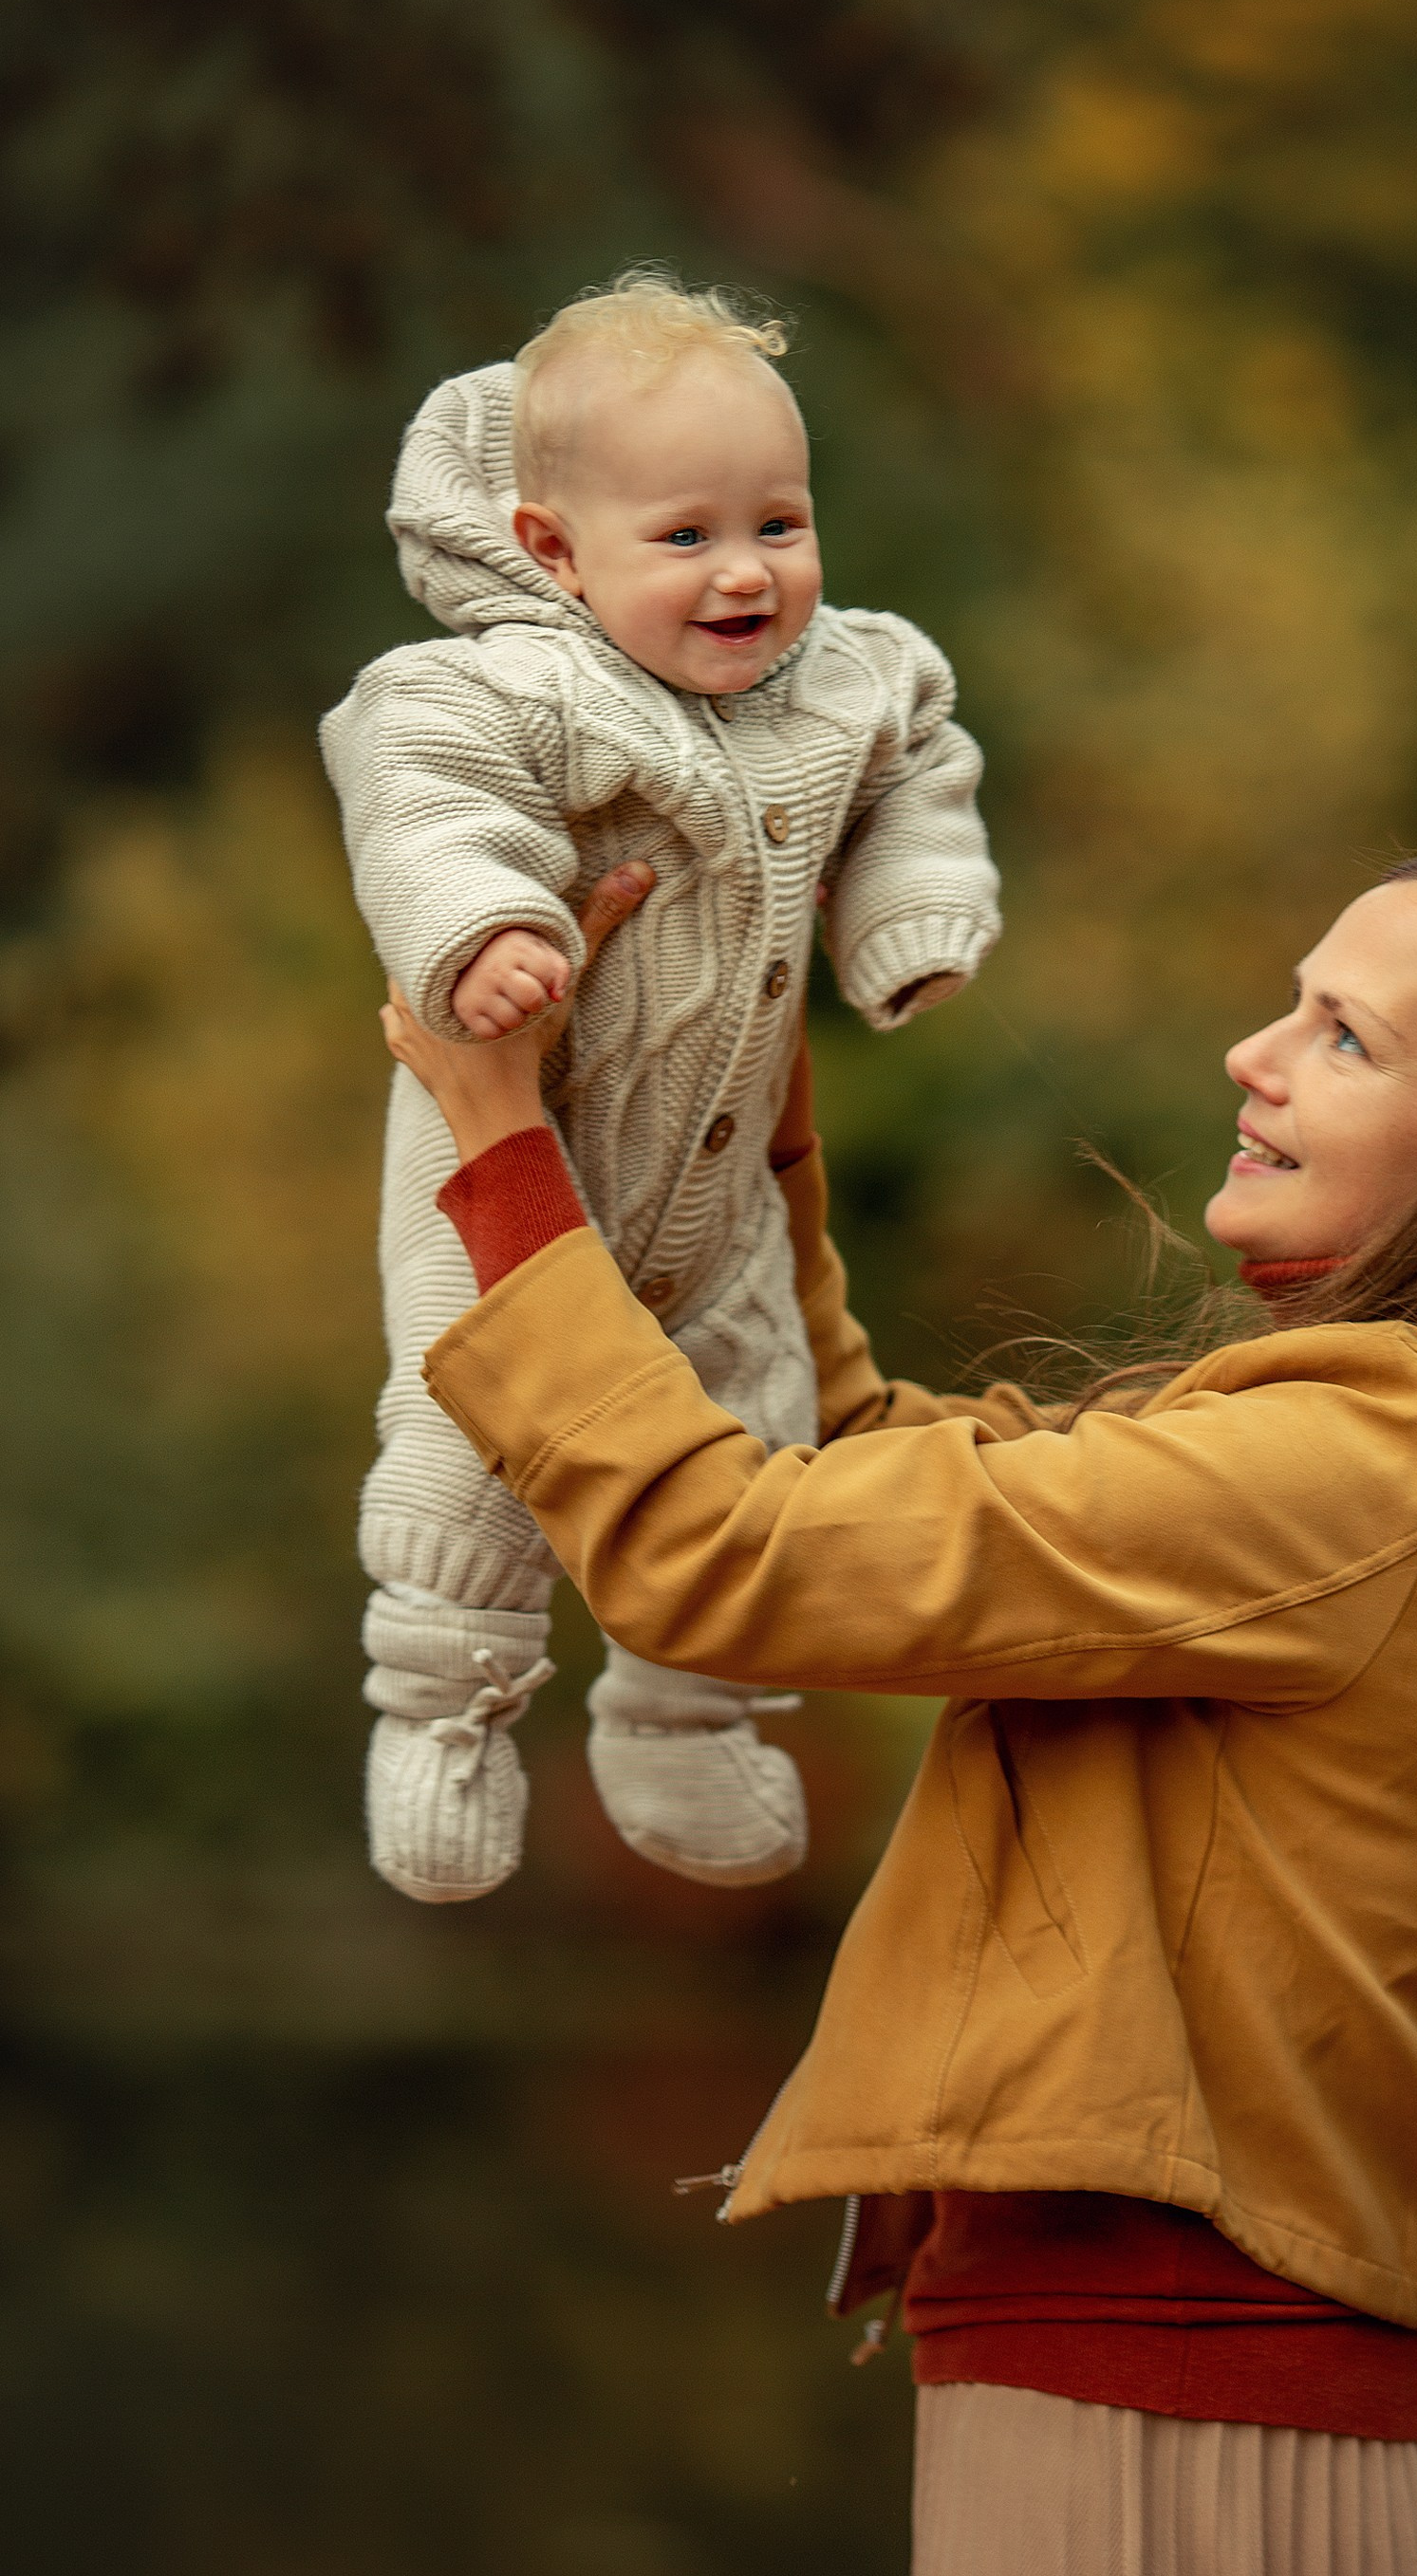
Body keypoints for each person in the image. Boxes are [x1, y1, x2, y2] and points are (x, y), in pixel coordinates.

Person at [380, 841, 1417, 2575]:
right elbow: (855, 1474)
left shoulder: (1381, 1460)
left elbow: (730, 1551)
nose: (1256, 1055)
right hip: (1174, 2418)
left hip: (1176, 2438)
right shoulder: (1405, 1457)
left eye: (1346, 1039)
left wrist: (501, 1149)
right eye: (1293, 1003)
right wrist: (750, 1092)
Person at [319, 267, 1000, 1908]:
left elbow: (926, 764)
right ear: (553, 550)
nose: (749, 572)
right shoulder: (505, 690)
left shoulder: (856, 678)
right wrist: (480, 926)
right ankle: (445, 1703)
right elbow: (416, 790)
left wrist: (905, 910)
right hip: (508, 1157)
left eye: (780, 521)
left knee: (749, 1425)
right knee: (467, 1425)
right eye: (686, 537)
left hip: (720, 1202)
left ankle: (687, 1719)